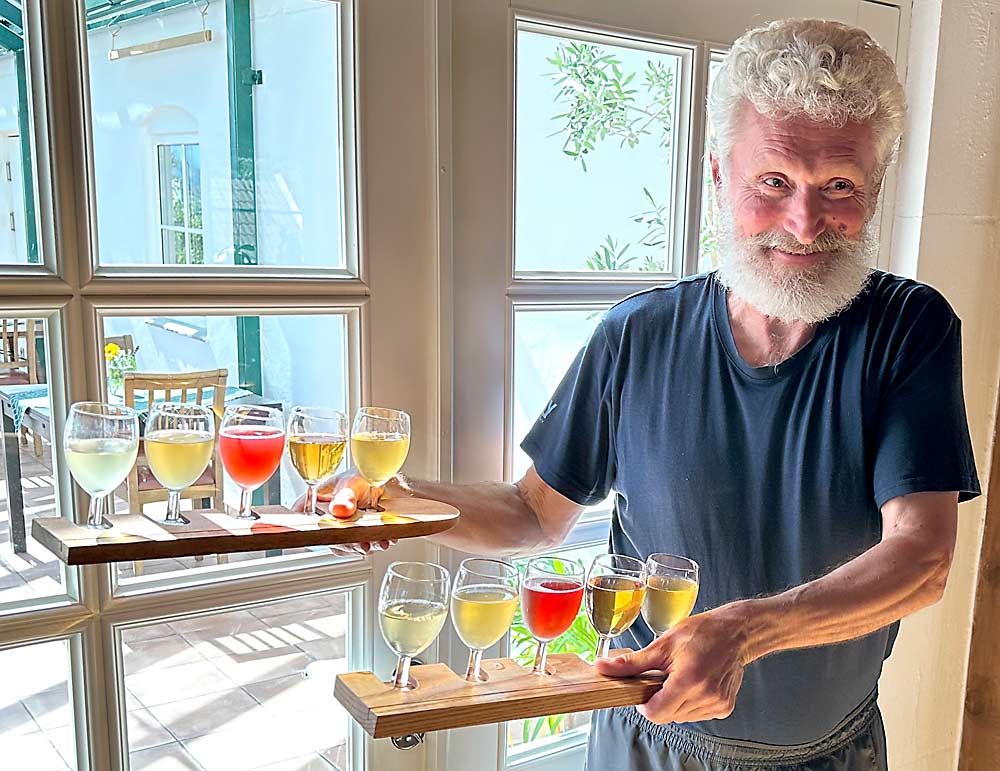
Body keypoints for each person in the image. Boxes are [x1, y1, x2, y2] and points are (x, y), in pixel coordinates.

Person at [306, 19, 980, 771]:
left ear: (876, 188)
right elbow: (534, 512)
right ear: (721, 177)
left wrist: (744, 630)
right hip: (642, 747)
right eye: (774, 181)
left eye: (840, 186)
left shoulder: (910, 328)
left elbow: (922, 558)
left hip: (827, 756)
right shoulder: (638, 333)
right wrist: (401, 498)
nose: (805, 220)